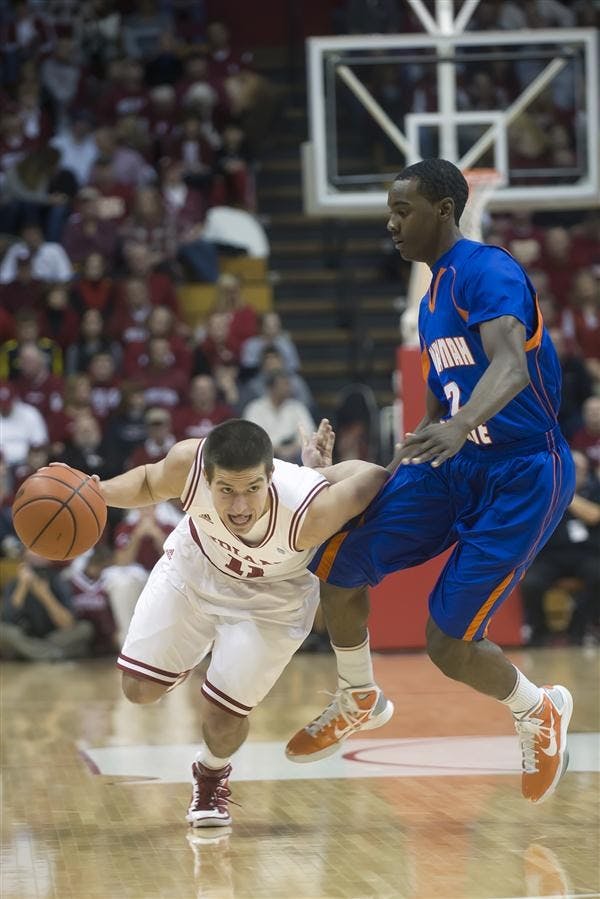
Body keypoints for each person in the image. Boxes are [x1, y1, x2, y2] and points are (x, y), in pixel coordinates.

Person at [287, 158, 576, 806]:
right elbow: (433, 411)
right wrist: (383, 471)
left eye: (402, 210)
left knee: (445, 642)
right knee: (339, 559)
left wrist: (461, 423)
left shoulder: (487, 269)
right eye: (389, 212)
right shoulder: (432, 296)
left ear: (443, 210)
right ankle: (359, 691)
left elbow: (512, 367)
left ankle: (538, 708)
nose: (391, 224)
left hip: (524, 470)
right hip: (455, 463)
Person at [88, 418, 392, 827]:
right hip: (196, 570)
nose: (240, 507)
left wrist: (317, 474)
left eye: (252, 489)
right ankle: (179, 661)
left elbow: (373, 476)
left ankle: (210, 775)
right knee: (139, 689)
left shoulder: (310, 508)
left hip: (271, 602)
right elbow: (146, 482)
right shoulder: (188, 465)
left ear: (271, 475)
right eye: (226, 490)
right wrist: (95, 492)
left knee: (223, 716)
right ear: (205, 477)